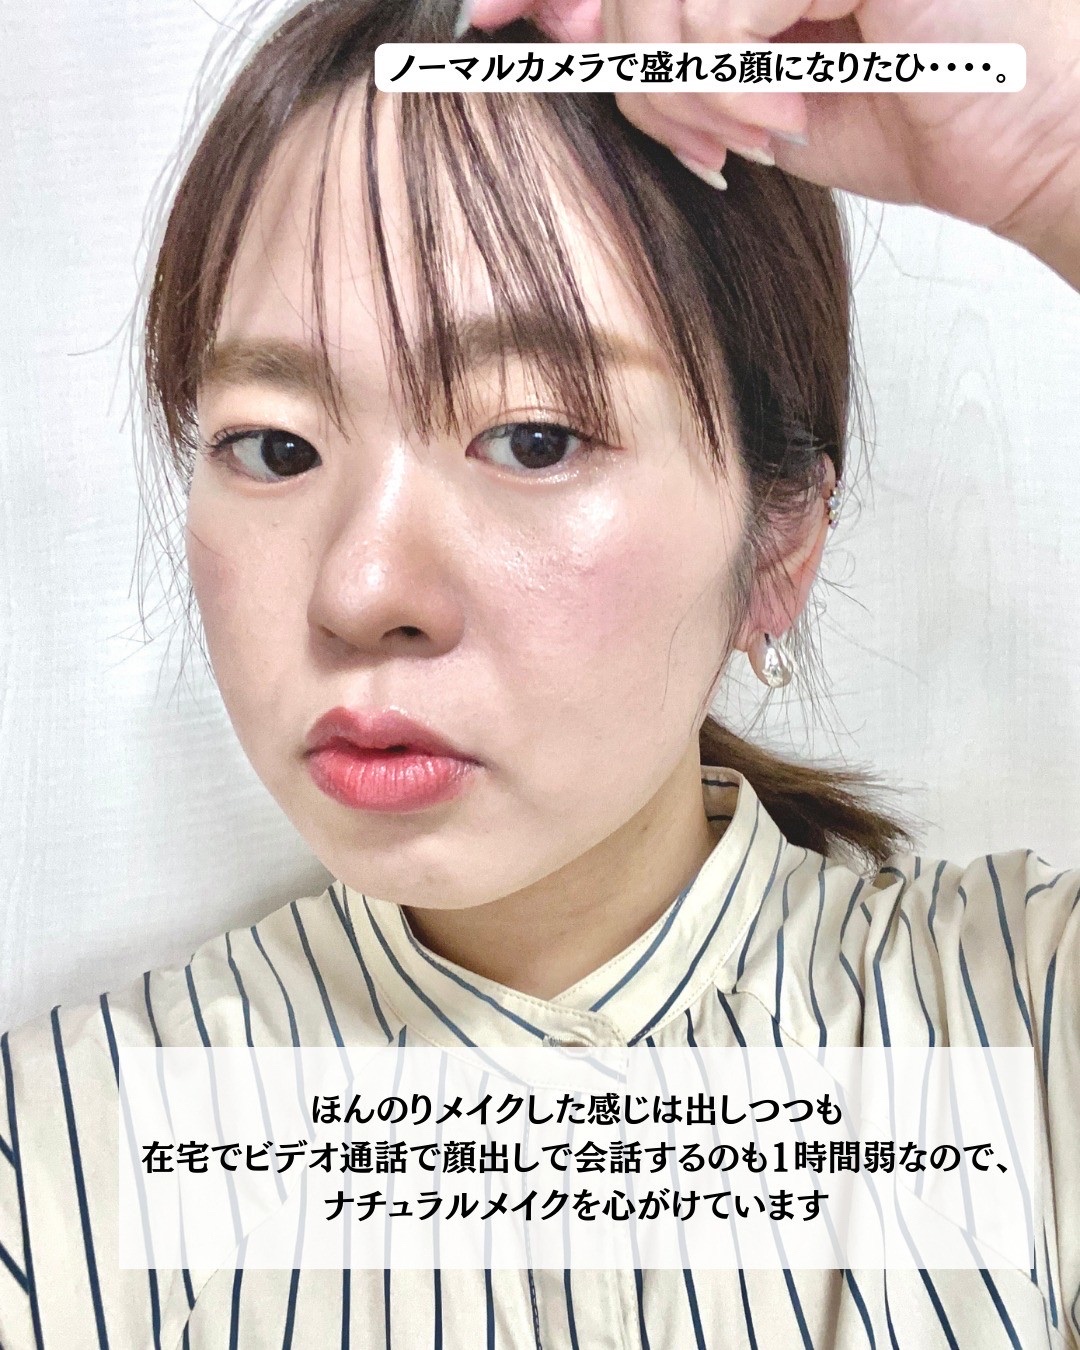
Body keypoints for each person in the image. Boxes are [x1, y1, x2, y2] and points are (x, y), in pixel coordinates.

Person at [1, 0, 1077, 1345]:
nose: (362, 590)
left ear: (778, 540)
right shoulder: (57, 1163)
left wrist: (1057, 154)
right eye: (276, 447)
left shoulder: (1022, 1031)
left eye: (533, 437)